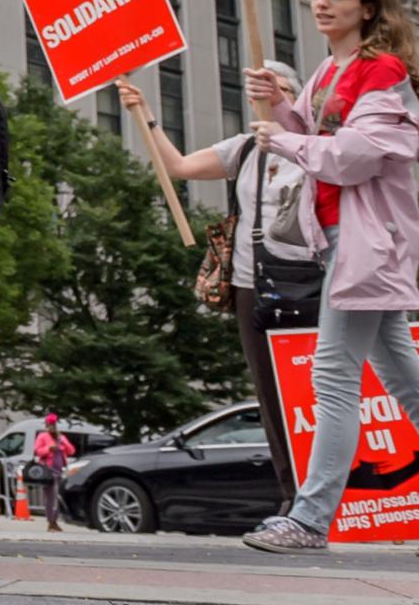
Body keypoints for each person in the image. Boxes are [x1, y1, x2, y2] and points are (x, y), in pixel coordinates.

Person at [238, 0, 419, 558]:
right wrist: (283, 107)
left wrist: (282, 134)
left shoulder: (381, 69)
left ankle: (310, 520)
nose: (321, 2)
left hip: (366, 244)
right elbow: (320, 135)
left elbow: (353, 155)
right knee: (411, 385)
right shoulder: (329, 72)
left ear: (367, 6)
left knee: (334, 377)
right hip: (345, 240)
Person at [118, 57, 311, 514]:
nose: (264, 91)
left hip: (313, 280)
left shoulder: (313, 144)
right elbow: (180, 166)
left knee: (321, 388)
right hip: (253, 283)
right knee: (270, 394)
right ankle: (292, 497)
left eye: (277, 85)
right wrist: (143, 113)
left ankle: (343, 495)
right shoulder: (243, 149)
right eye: (257, 84)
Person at [29, 415, 78, 531]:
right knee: (51, 497)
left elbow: (72, 450)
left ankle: (54, 520)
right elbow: (38, 451)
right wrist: (49, 449)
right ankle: (51, 521)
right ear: (46, 426)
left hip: (59, 470)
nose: (52, 427)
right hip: (48, 470)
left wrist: (63, 443)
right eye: (49, 425)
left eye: (53, 425)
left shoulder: (61, 437)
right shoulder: (42, 436)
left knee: (58, 496)